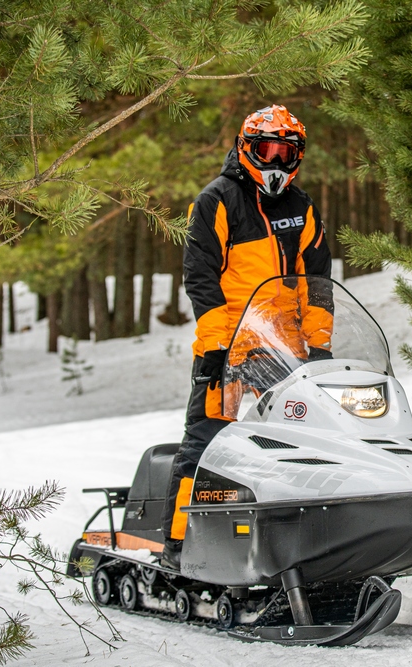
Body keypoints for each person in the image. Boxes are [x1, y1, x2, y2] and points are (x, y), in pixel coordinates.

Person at [160, 105, 332, 570]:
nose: (275, 161)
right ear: (245, 148)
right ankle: (178, 545)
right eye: (265, 150)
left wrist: (319, 345)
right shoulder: (217, 201)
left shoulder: (301, 206)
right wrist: (216, 347)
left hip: (287, 350)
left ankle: (308, 541)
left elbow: (317, 282)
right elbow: (201, 279)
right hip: (230, 345)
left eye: (284, 153)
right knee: (206, 440)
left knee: (308, 444)